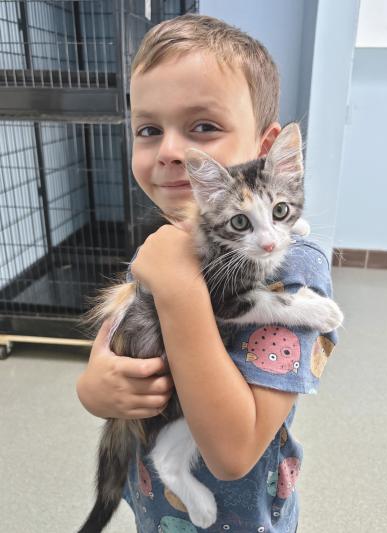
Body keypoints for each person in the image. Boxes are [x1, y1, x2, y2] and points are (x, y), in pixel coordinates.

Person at [76, 13, 337, 532]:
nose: (173, 152)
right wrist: (93, 389)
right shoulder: (165, 244)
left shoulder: (297, 267)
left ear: (267, 150)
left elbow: (233, 453)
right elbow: (120, 340)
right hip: (155, 507)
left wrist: (179, 292)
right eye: (149, 129)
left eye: (203, 127)